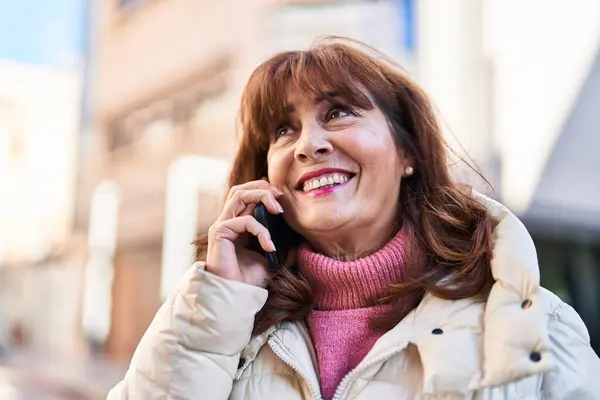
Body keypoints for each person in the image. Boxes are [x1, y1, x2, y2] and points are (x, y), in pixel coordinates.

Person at [107, 38, 600, 399]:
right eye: (283, 129)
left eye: (339, 112)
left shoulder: (532, 325)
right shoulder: (225, 320)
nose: (308, 144)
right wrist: (215, 311)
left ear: (408, 152)